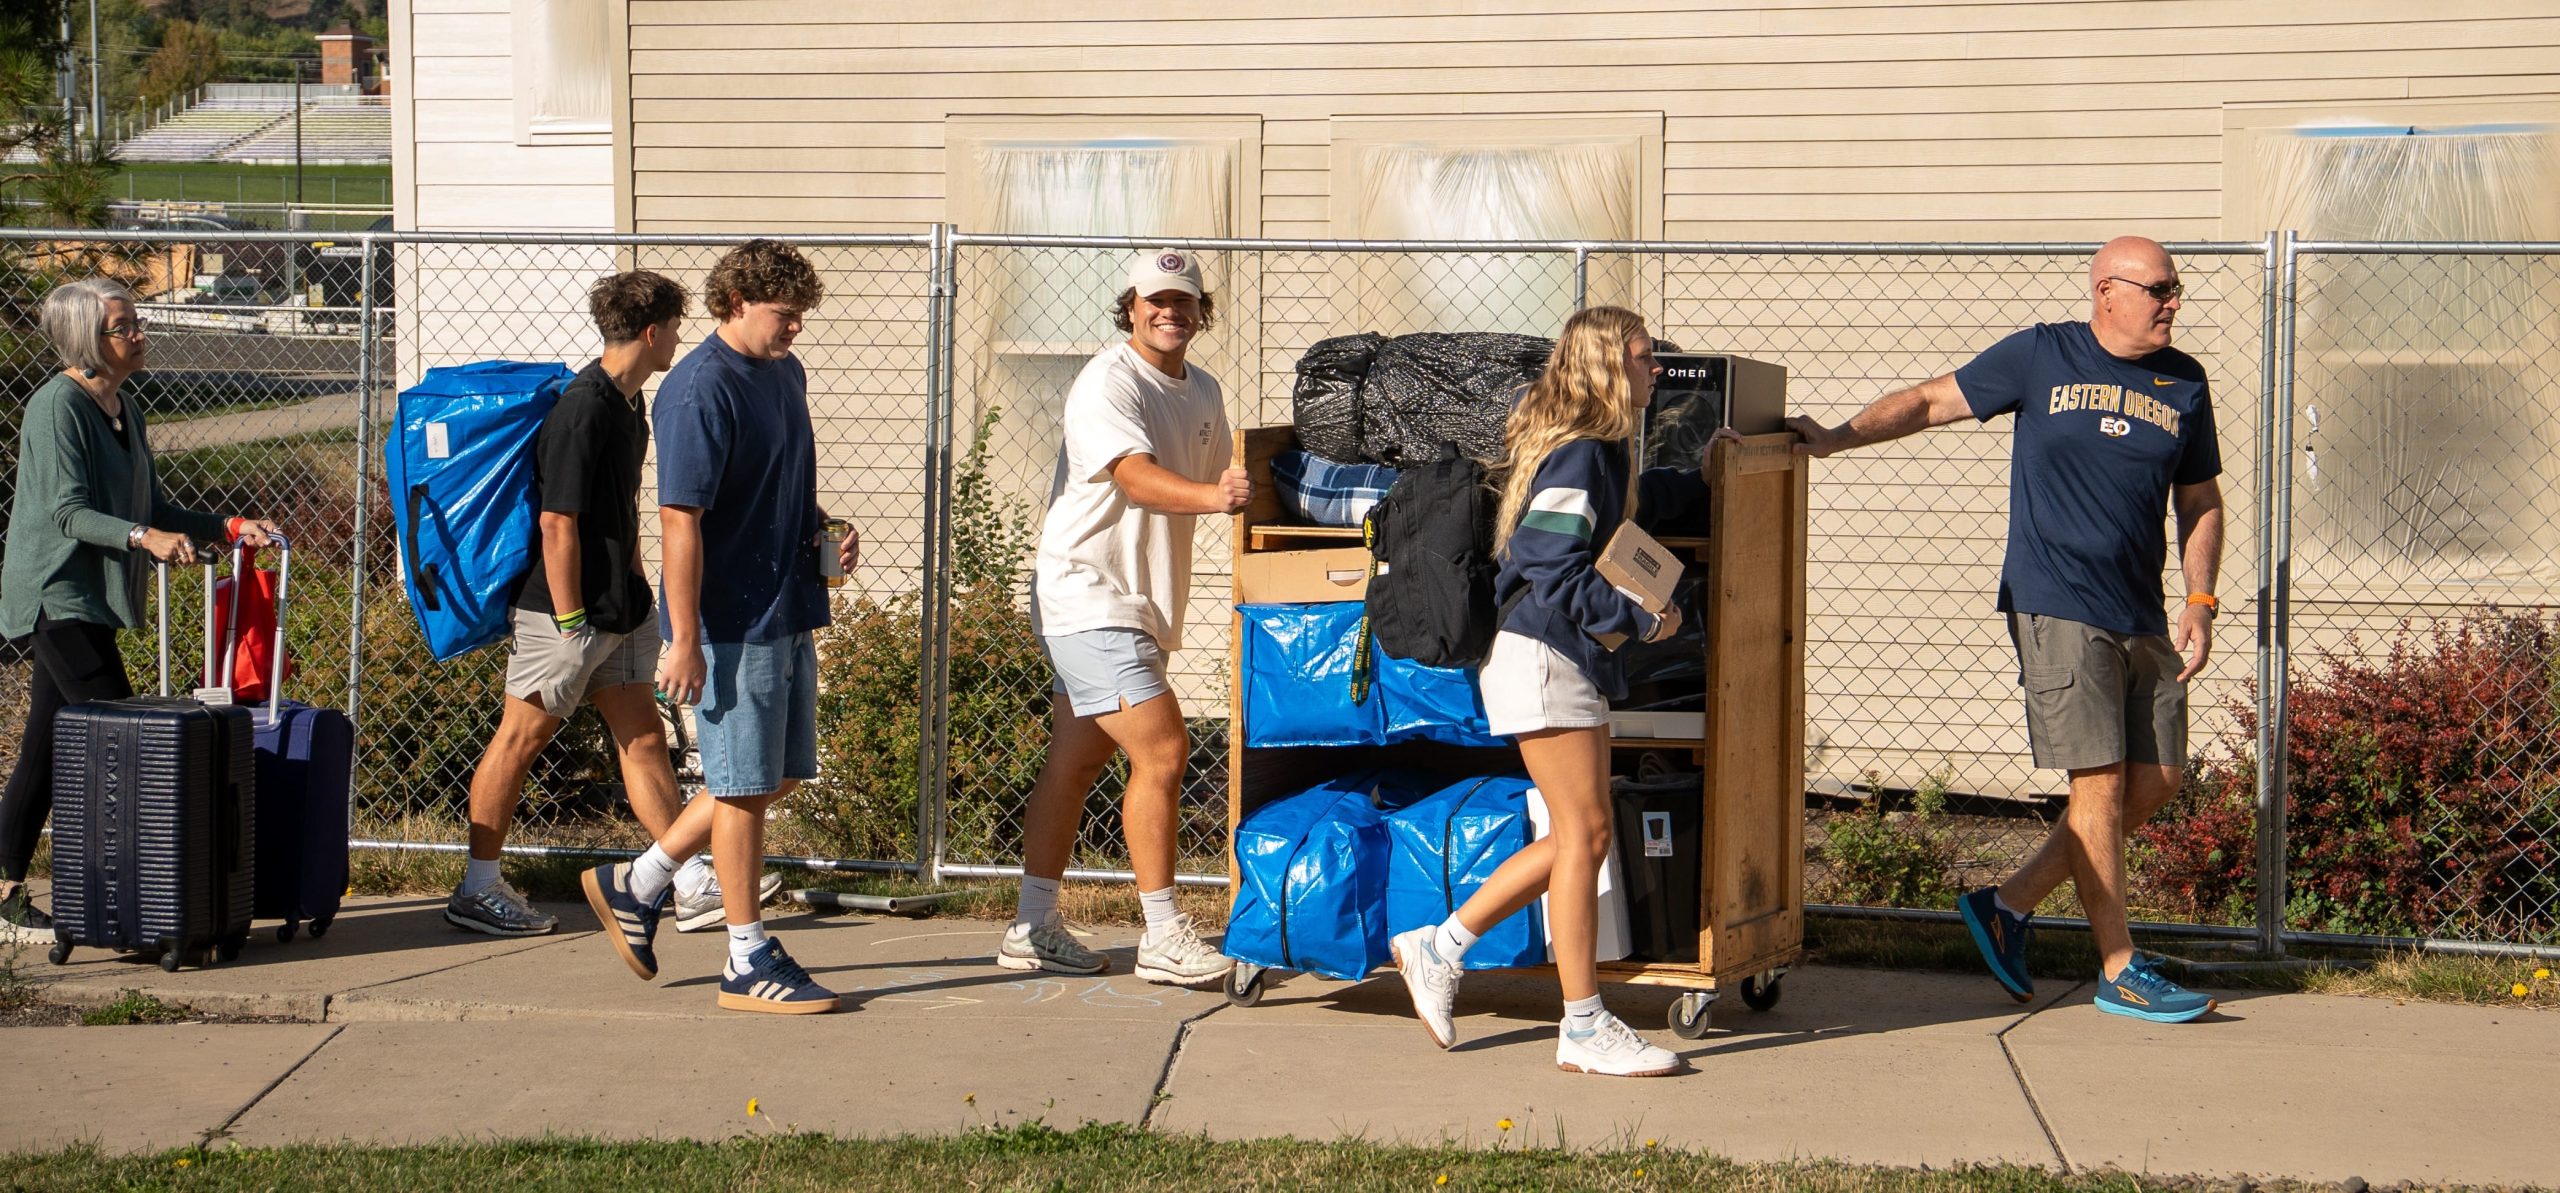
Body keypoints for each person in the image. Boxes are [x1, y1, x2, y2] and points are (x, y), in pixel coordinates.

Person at [1785, 235, 2226, 1025]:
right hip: (2055, 600)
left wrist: (2201, 598)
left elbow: (2200, 499)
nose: (2173, 301)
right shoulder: (2041, 356)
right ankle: (2119, 967)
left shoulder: (2184, 381)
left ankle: (2007, 901)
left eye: (2175, 287)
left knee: (2156, 780)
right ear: (2107, 292)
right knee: (2098, 783)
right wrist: (1838, 437)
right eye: (2160, 287)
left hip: (2143, 611)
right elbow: (1927, 401)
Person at [1387, 305, 1717, 1078]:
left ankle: (1438, 947)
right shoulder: (1584, 452)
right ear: (1608, 363)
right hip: (1542, 656)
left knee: (1576, 834)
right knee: (1587, 834)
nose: (1656, 369)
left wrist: (1699, 478)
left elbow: (1624, 513)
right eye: (1643, 356)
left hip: (1555, 657)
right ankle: (1582, 1023)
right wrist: (1640, 616)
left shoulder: (1601, 451)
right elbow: (1547, 561)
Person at [445, 271, 775, 936]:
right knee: (520, 739)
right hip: (562, 617)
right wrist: (570, 618)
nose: (680, 339)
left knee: (644, 740)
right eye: (676, 328)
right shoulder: (583, 408)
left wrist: (635, 588)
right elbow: (557, 523)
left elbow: (618, 510)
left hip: (619, 612)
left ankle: (687, 882)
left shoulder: (630, 407)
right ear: (651, 332)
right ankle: (477, 887)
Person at [578, 240, 854, 1014]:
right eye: (784, 314)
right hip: (730, 623)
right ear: (734, 302)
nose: (796, 329)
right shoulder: (698, 389)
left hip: (789, 606)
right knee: (739, 790)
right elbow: (679, 523)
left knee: (778, 775)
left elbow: (785, 483)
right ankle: (745, 955)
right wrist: (685, 635)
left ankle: (637, 881)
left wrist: (826, 527)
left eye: (801, 316)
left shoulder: (782, 373)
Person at [0, 277, 281, 942]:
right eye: (124, 326)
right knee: (130, 741)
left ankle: (8, 888)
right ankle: (139, 896)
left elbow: (150, 508)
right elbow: (68, 512)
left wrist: (228, 525)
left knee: (43, 744)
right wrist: (141, 539)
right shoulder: (56, 407)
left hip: (92, 598)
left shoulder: (125, 409)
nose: (139, 334)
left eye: (136, 322)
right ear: (87, 341)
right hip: (54, 593)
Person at [996, 249, 1248, 986]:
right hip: (1086, 594)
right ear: (1131, 306)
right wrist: (1217, 499)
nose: (1170, 312)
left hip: (1140, 603)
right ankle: (1164, 935)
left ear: (1201, 312)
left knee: (1076, 761)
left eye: (1184, 301)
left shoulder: (1202, 390)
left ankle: (1031, 924)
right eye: (1156, 301)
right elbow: (1135, 479)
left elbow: (1222, 479)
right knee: (1164, 751)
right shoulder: (1108, 380)